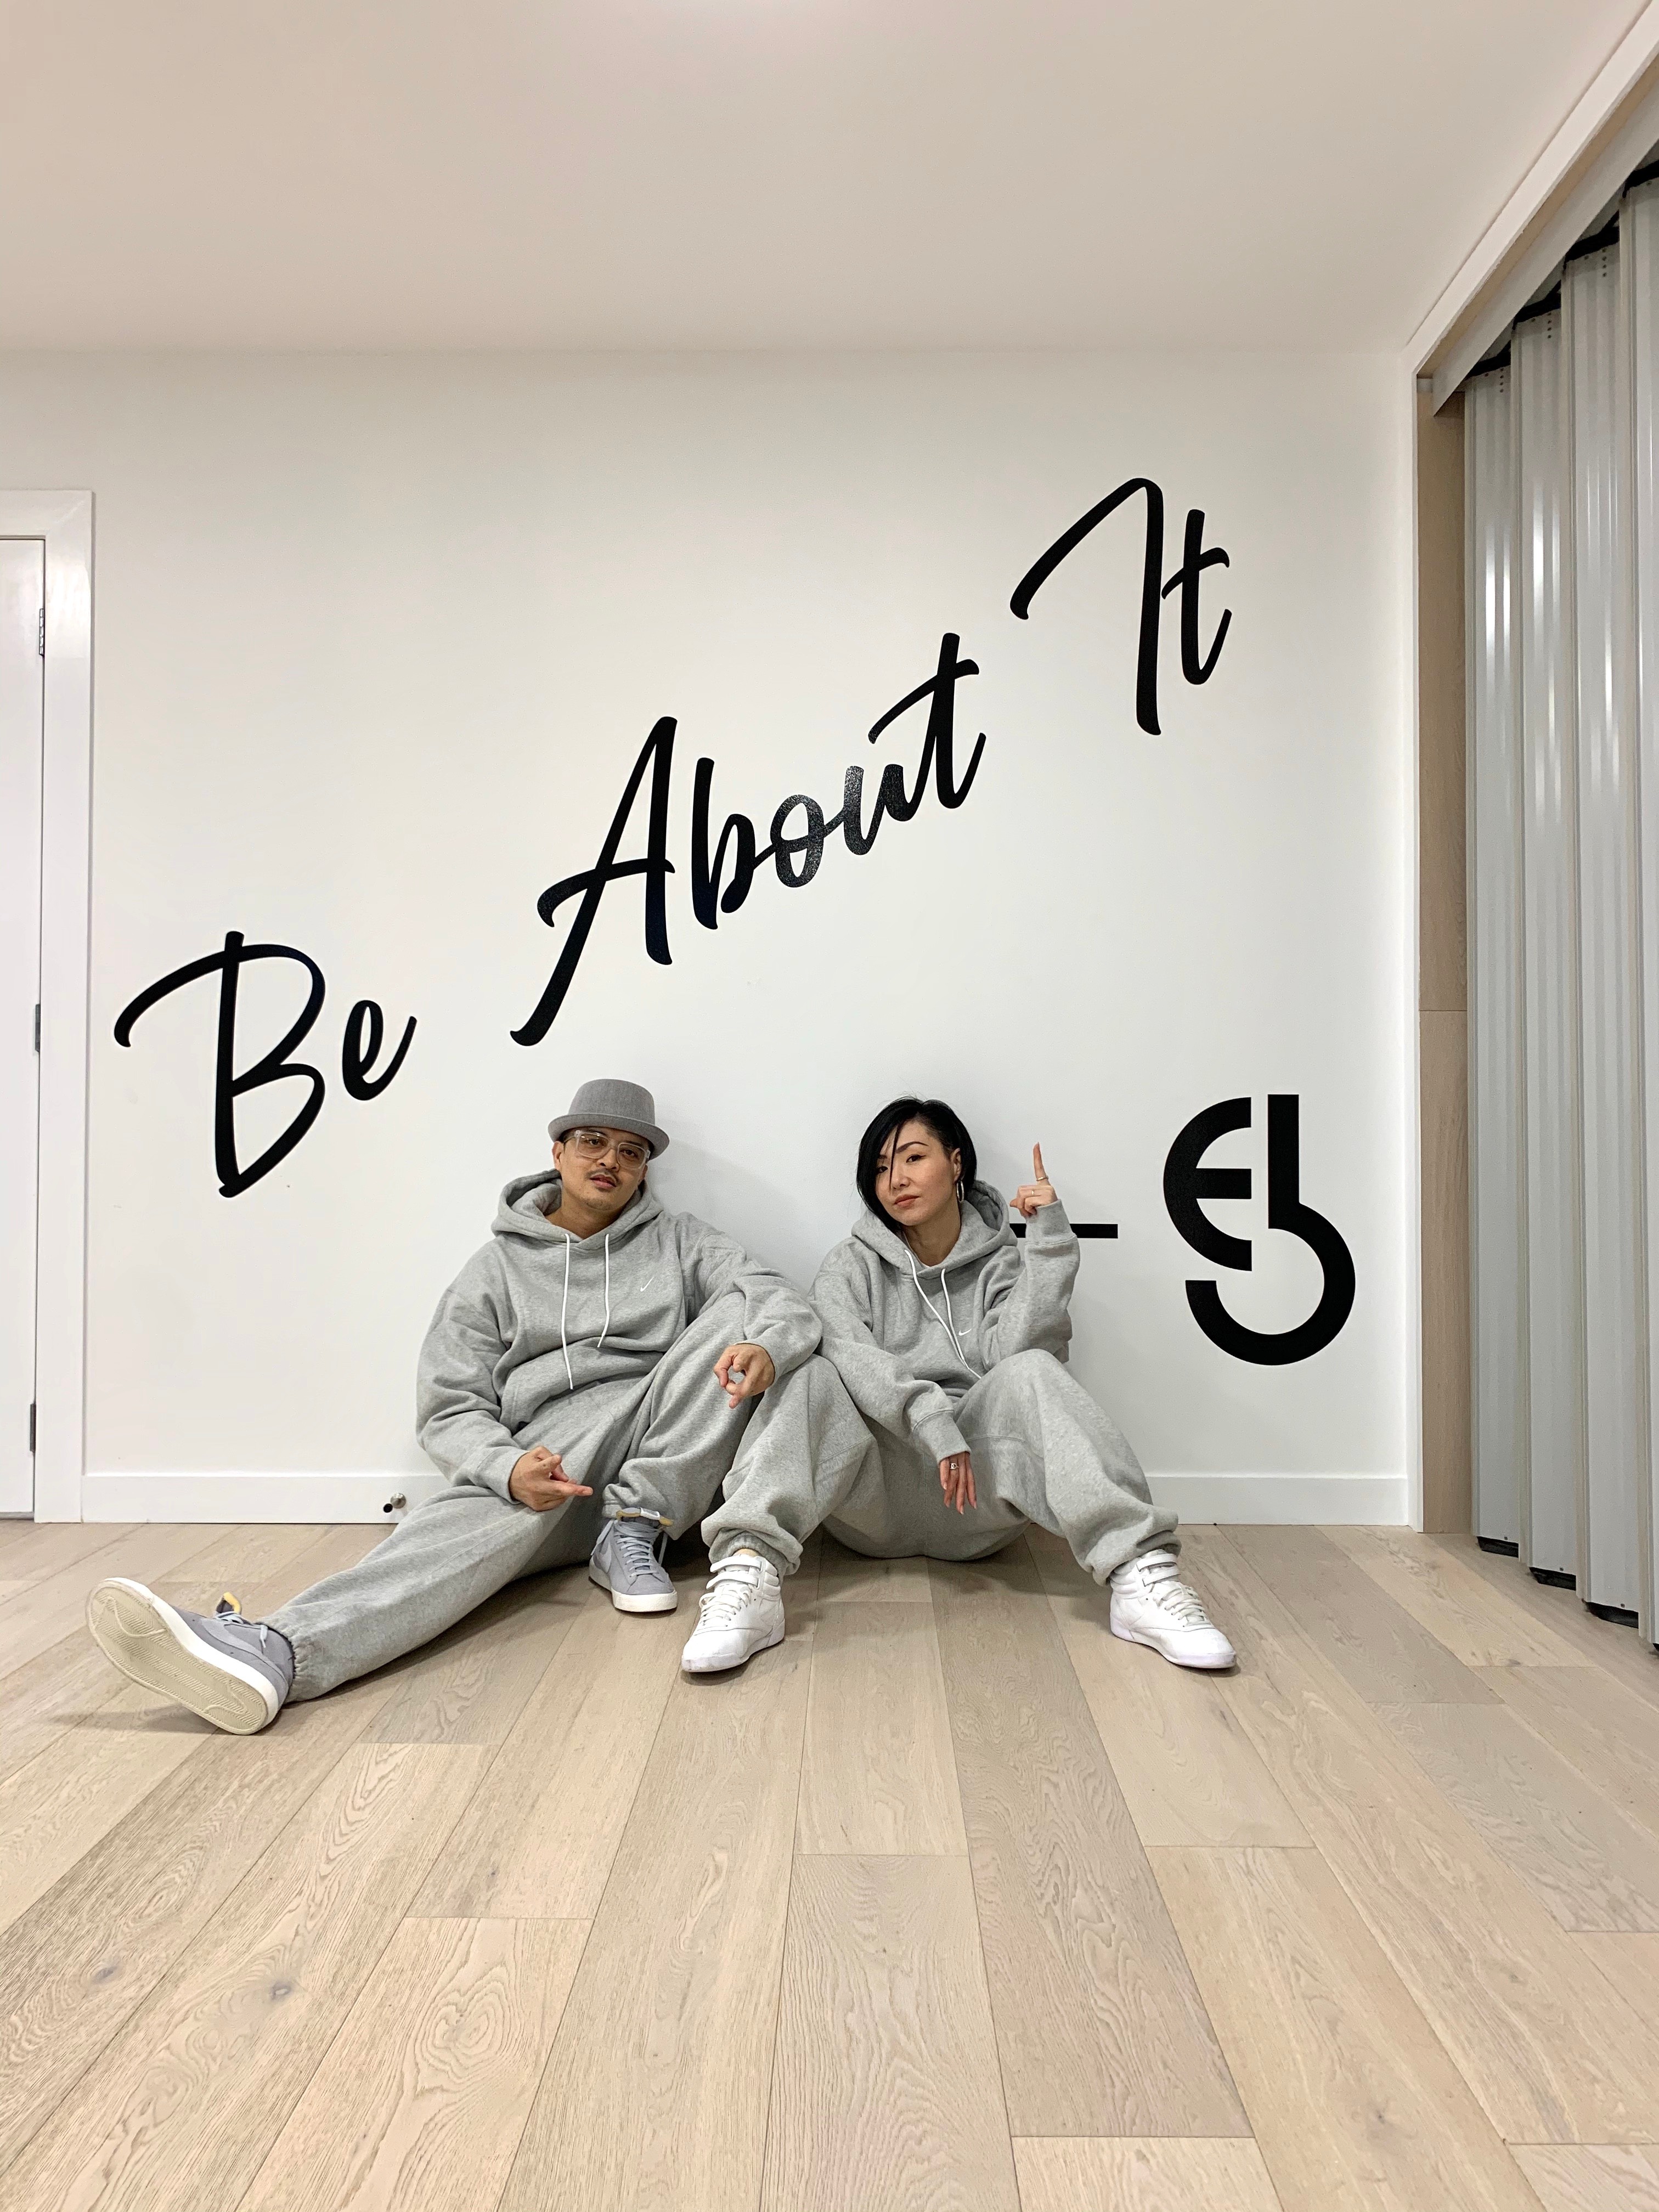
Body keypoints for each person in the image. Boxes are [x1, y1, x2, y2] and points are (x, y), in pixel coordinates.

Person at [84, 1079, 871, 1728]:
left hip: (665, 1445)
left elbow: (779, 1298)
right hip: (556, 1459)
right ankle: (277, 1650)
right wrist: (505, 1467)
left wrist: (765, 1348)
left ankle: (634, 1529)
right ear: (557, 1151)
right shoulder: (493, 1270)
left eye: (631, 1153)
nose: (613, 1162)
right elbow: (447, 1407)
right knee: (451, 1529)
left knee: (747, 1316)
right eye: (594, 1142)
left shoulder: (682, 1240)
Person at [715, 1096, 1234, 1668]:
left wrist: (1051, 1244)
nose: (897, 1180)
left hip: (975, 1499)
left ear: (957, 1162)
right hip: (873, 1501)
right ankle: (749, 1570)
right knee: (814, 1371)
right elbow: (853, 1357)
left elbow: (1016, 1352)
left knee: (1033, 1370)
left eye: (914, 1158)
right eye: (881, 1169)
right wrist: (931, 1420)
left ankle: (1140, 1576)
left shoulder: (999, 1262)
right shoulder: (850, 1266)